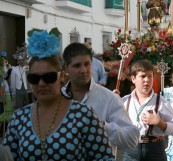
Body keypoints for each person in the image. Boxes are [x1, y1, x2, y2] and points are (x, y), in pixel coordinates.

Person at [2, 30, 114, 160]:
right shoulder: (19, 118)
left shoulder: (84, 114)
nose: (41, 83)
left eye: (49, 77)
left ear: (61, 76)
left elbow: (104, 158)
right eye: (34, 78)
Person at [62, 43, 140, 155]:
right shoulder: (58, 98)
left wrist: (102, 126)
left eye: (87, 64)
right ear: (65, 68)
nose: (83, 70)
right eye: (77, 65)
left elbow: (132, 139)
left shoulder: (109, 98)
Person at [118, 60, 173, 161]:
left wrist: (160, 123)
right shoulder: (124, 101)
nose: (147, 80)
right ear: (133, 79)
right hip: (130, 150)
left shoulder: (161, 102)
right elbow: (111, 124)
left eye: (150, 76)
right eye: (143, 76)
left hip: (154, 149)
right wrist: (113, 101)